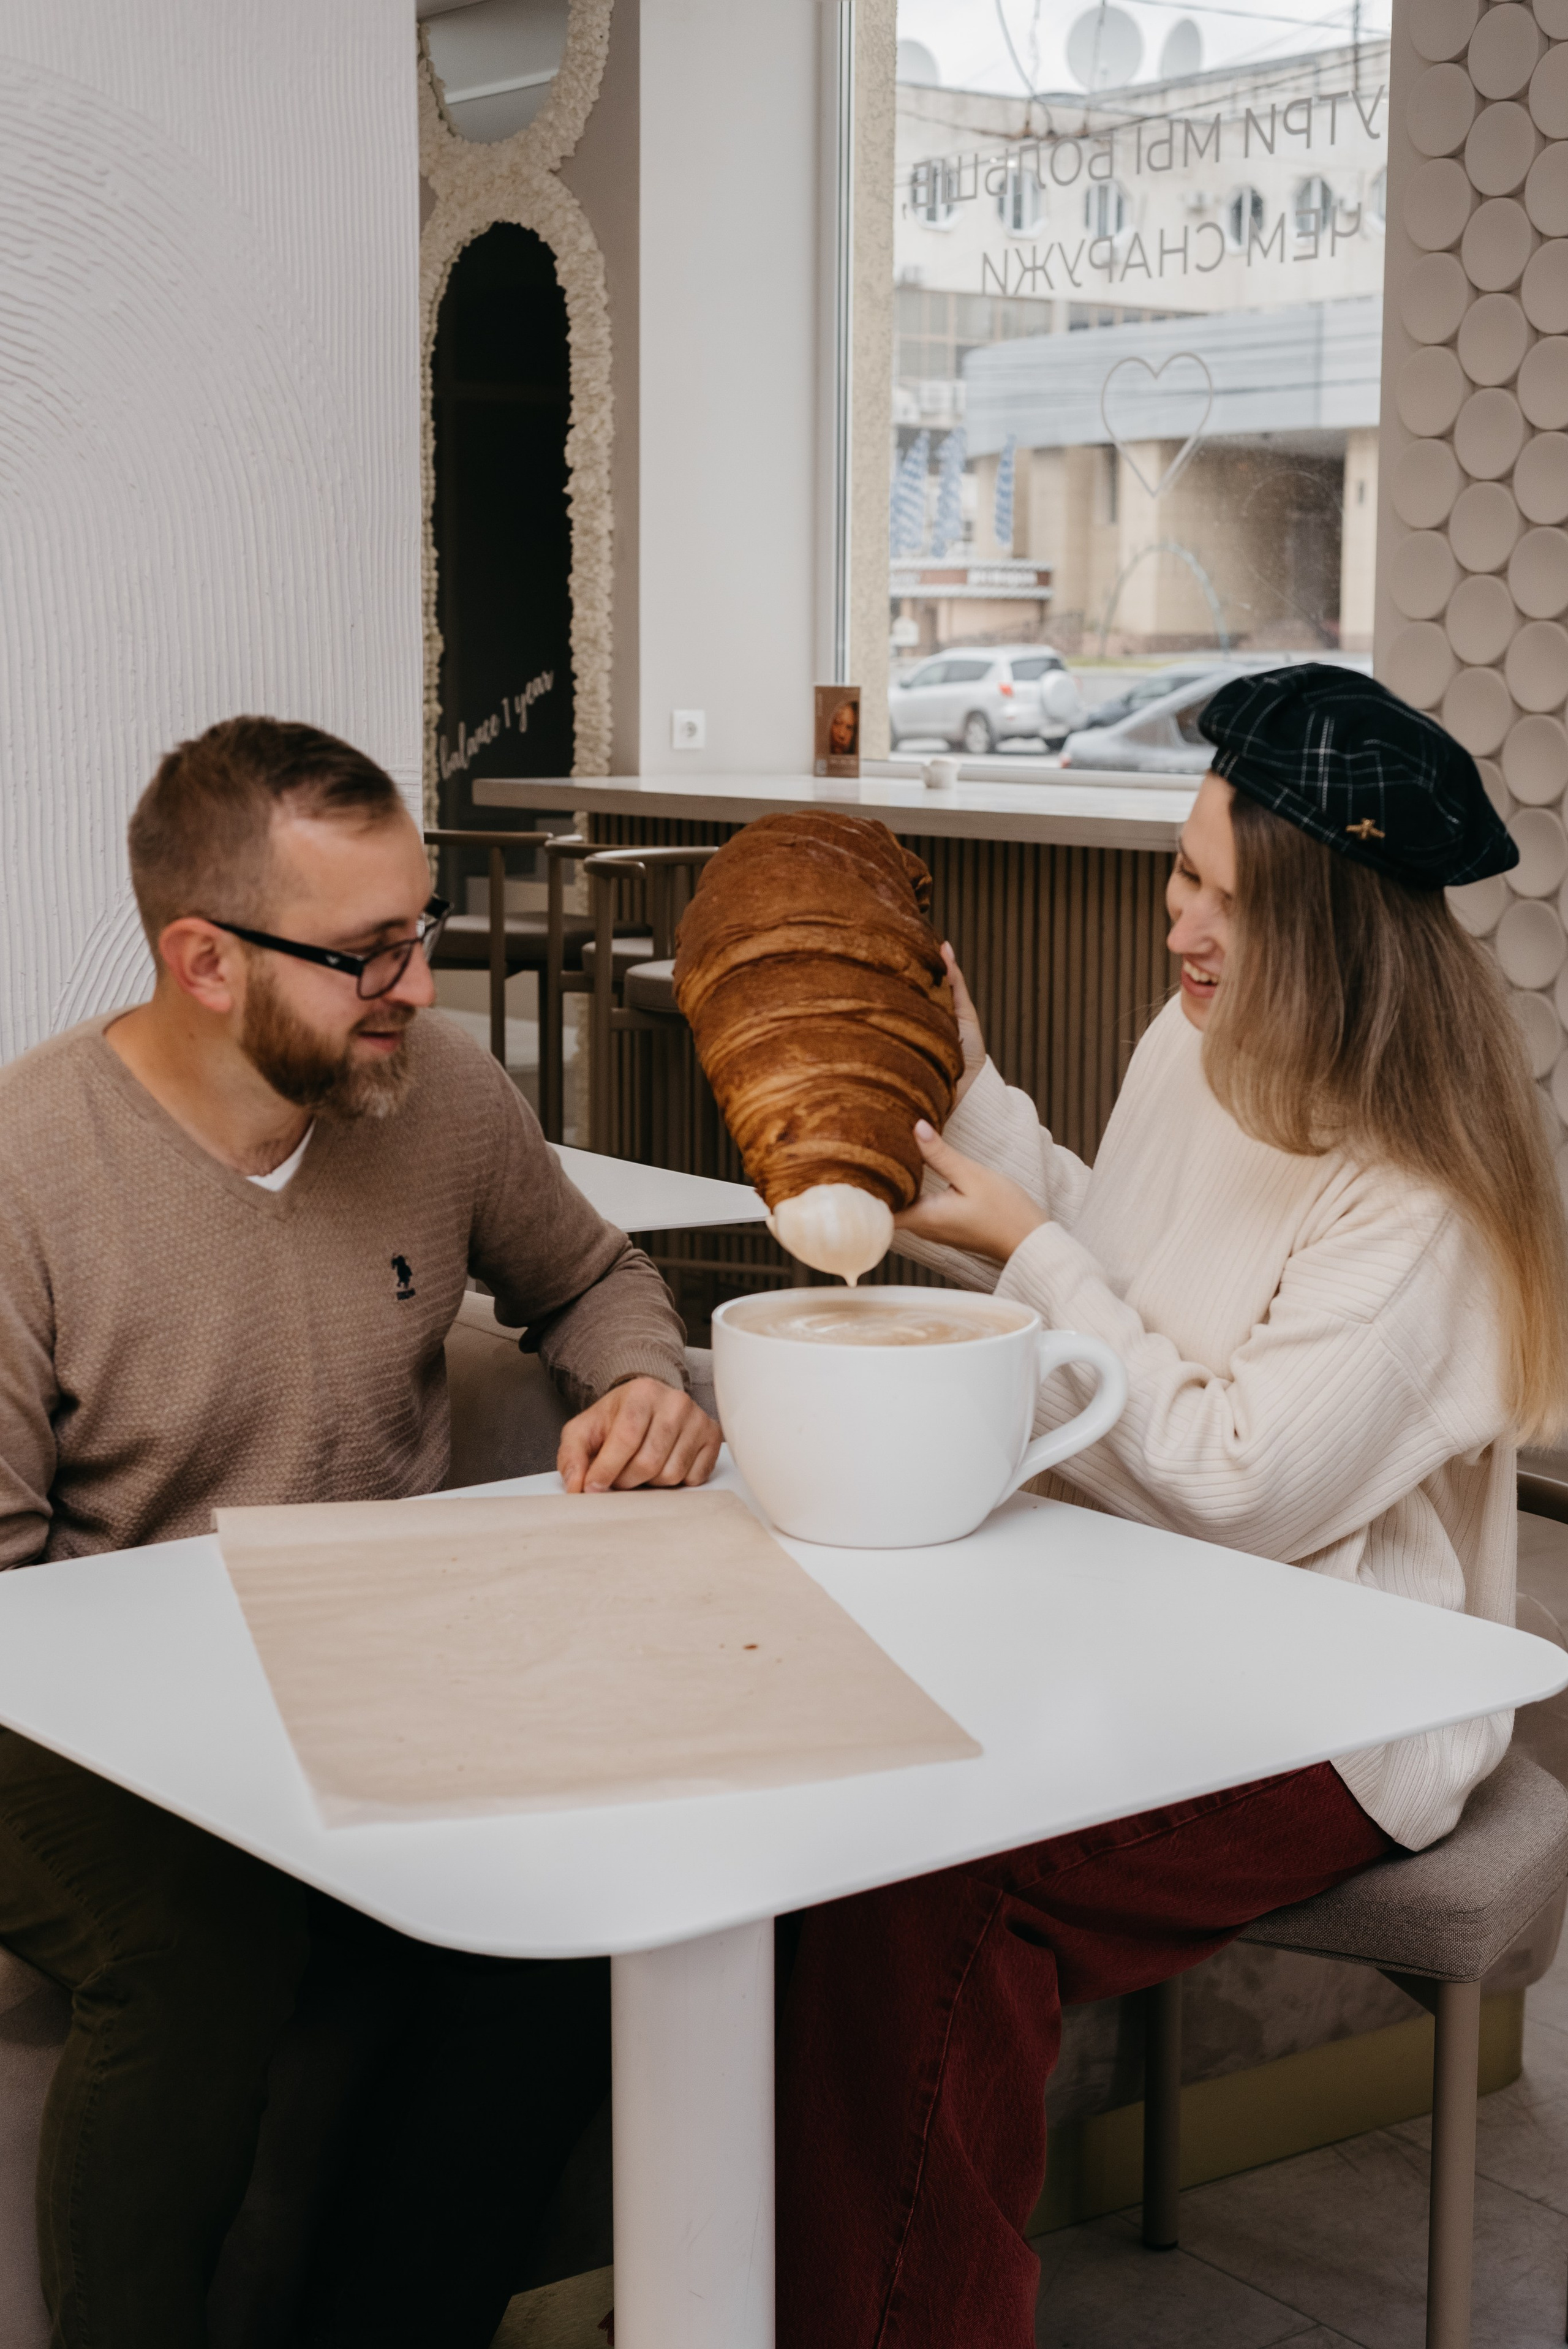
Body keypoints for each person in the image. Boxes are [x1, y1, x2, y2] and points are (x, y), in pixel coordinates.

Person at [776, 665, 1568, 2348]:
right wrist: (980, 1098)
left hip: (1340, 1692)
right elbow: (1115, 1267)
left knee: (940, 1888)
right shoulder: (1199, 1043)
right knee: (835, 1783)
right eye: (1181, 869)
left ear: (1333, 931)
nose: (1176, 924)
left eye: (1221, 894)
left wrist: (1028, 1252)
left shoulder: (1416, 1197)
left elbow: (1232, 1483)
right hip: (1150, 1619)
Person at [0, 717, 719, 2348]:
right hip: (66, 1710)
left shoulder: (439, 1098)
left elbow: (597, 1277)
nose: (418, 980)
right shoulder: (25, 1170)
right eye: (365, 951)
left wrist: (641, 1382)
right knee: (197, 1938)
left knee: (566, 1914)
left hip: (371, 1676)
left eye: (426, 925)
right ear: (201, 958)